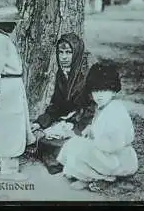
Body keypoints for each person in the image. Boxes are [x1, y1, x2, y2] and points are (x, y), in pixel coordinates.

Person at [56, 62, 139, 190]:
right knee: (74, 144)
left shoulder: (116, 110)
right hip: (107, 153)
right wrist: (91, 132)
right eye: (96, 90)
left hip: (119, 158)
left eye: (104, 90)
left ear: (113, 90)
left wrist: (94, 142)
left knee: (81, 148)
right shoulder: (103, 107)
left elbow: (115, 142)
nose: (99, 95)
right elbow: (99, 128)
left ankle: (102, 178)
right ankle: (89, 175)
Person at [0, 0, 35, 181]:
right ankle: (9, 168)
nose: (14, 25)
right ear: (2, 23)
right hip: (6, 88)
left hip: (11, 86)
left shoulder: (0, 38)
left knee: (4, 123)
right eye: (11, 22)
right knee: (9, 124)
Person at [30, 33, 96, 175]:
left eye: (68, 52)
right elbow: (57, 106)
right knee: (40, 138)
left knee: (66, 144)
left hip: (86, 122)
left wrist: (75, 128)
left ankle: (60, 159)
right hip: (70, 120)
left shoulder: (87, 75)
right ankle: (57, 156)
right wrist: (41, 122)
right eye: (61, 52)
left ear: (76, 53)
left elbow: (92, 108)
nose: (64, 57)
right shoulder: (62, 74)